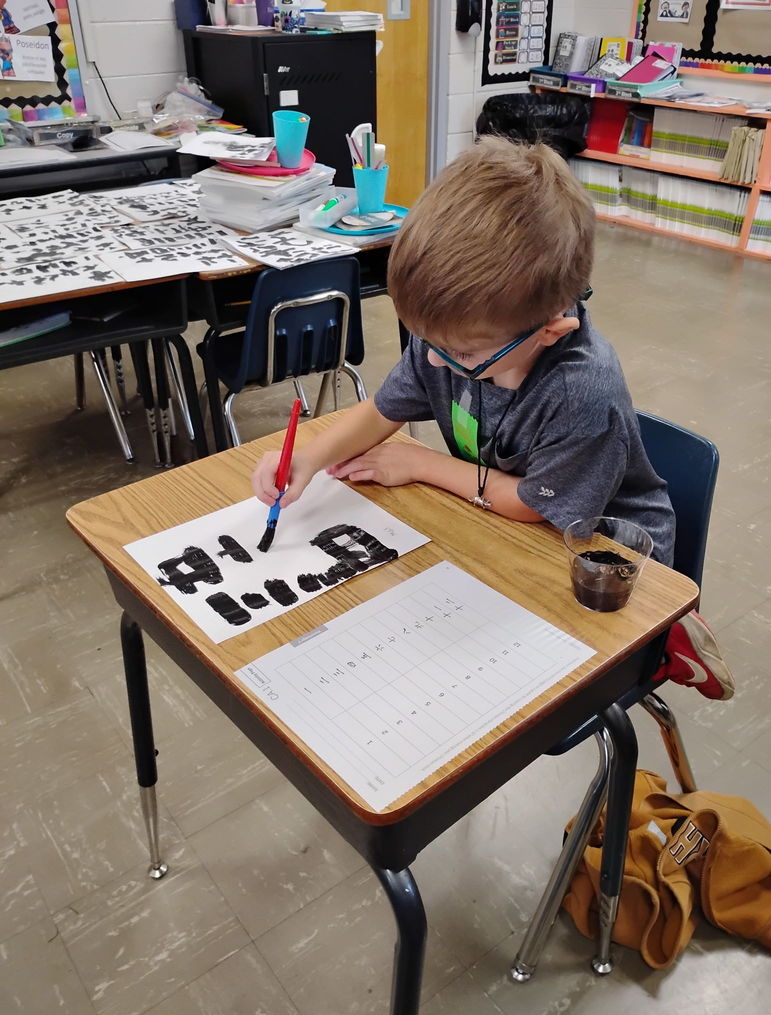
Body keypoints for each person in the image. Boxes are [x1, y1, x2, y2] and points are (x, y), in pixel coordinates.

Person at [252, 136, 733, 700]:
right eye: (426, 341)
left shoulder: (581, 388)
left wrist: (420, 462)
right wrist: (309, 458)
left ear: (551, 330)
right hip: (508, 521)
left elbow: (535, 506)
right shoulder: (454, 337)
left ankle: (661, 643)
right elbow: (383, 410)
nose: (434, 360)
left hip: (603, 556)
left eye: (463, 355)